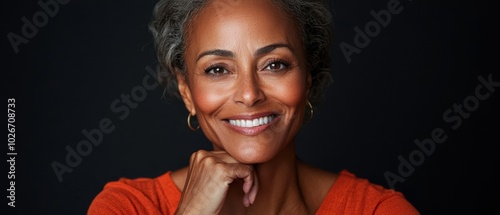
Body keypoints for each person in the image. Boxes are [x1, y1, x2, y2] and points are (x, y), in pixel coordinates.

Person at [88, 0, 420, 214]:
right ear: (186, 90)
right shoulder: (128, 207)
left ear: (308, 77)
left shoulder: (376, 211)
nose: (249, 94)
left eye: (274, 65)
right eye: (218, 69)